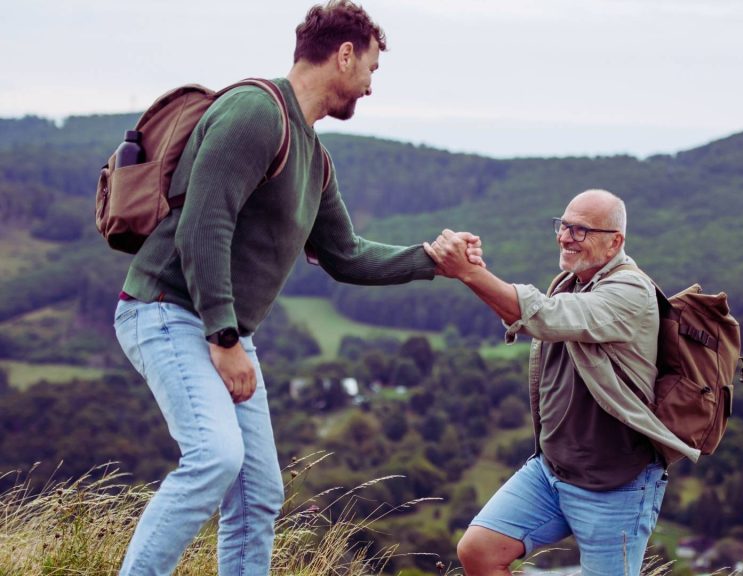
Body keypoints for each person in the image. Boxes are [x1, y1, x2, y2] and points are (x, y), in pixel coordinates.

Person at [112, 2, 482, 574]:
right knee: (214, 458)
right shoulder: (255, 112)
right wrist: (226, 339)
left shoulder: (314, 155)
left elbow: (347, 255)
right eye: (371, 70)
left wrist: (433, 260)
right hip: (169, 312)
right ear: (344, 55)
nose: (369, 86)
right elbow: (203, 226)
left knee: (257, 490)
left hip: (221, 329)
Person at [425, 189, 701, 576]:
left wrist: (469, 272)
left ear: (615, 241)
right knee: (479, 552)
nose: (566, 236)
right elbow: (527, 315)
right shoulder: (572, 281)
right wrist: (474, 272)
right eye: (564, 225)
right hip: (552, 470)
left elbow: (544, 317)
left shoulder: (631, 292)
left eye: (581, 230)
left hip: (615, 483)